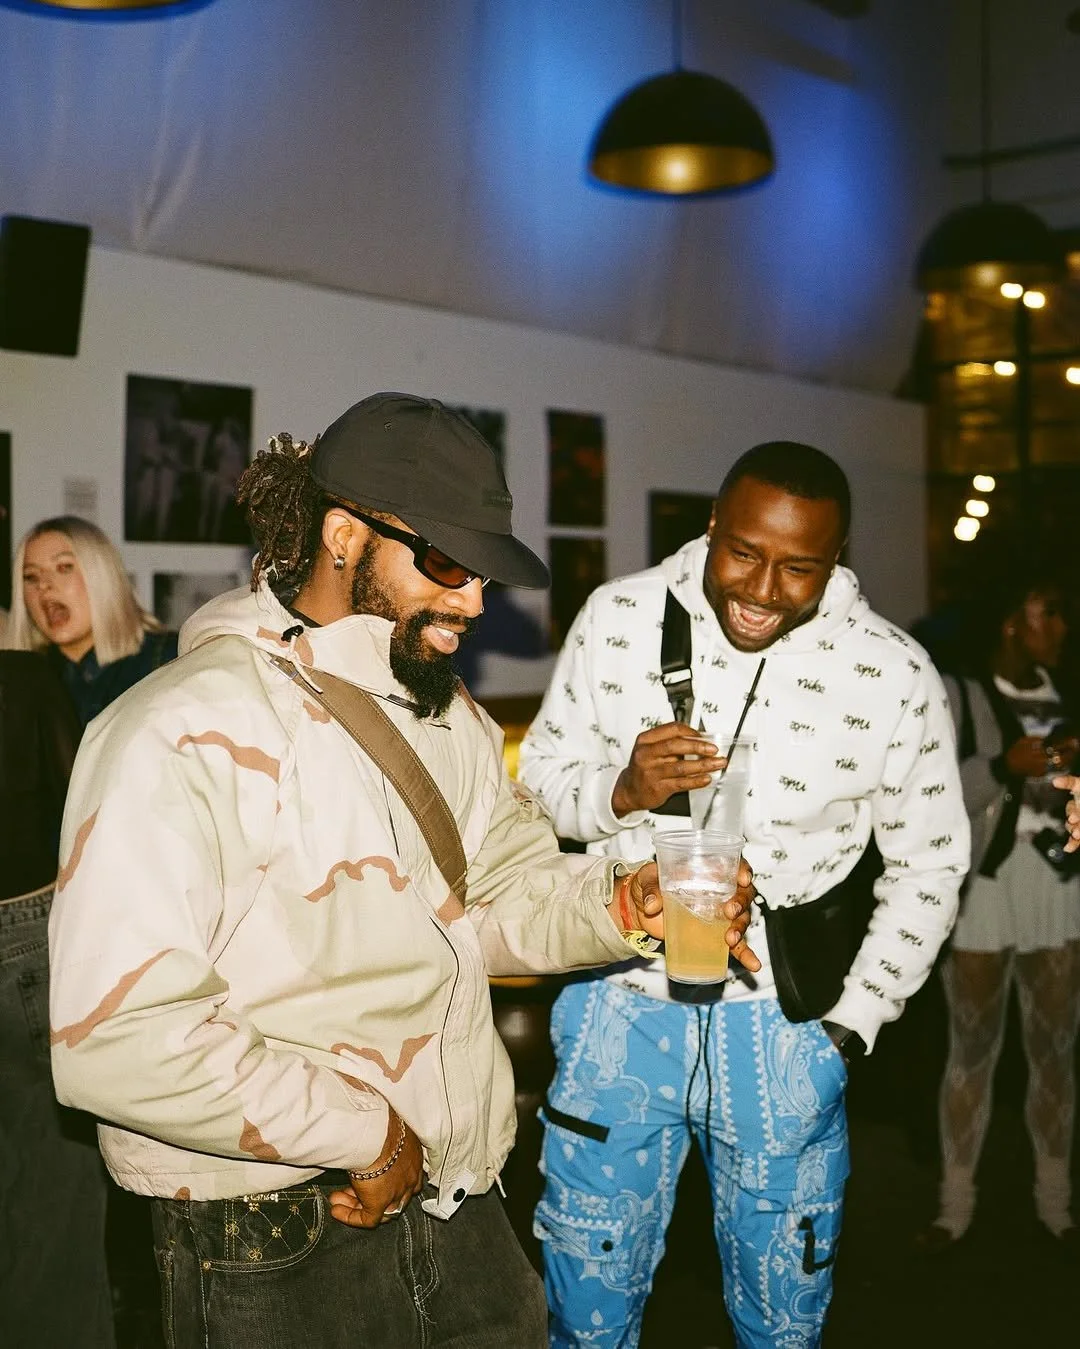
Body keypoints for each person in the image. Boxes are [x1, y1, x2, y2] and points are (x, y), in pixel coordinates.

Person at [46, 393, 758, 1349]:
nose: (473, 599)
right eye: (447, 563)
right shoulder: (174, 732)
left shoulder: (444, 714)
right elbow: (115, 1035)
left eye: (484, 573)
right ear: (344, 537)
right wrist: (364, 1132)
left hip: (460, 1198)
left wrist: (622, 899)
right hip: (278, 1234)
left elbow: (496, 898)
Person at [518, 440, 969, 1348]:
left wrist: (850, 1026)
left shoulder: (894, 672)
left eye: (800, 566)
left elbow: (931, 863)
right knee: (583, 1307)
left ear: (837, 559)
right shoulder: (617, 619)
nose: (763, 588)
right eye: (744, 552)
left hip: (785, 1026)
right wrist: (620, 790)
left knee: (783, 1319)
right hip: (616, 1001)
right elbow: (534, 793)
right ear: (712, 526)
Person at [917, 578, 1080, 1252]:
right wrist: (1003, 764)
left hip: (1058, 886)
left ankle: (1056, 1203)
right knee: (972, 1050)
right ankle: (954, 1207)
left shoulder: (1065, 698)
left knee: (1055, 1051)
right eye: (1052, 613)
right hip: (984, 886)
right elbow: (931, 791)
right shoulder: (961, 694)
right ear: (1014, 623)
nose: (1063, 627)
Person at [0, 650, 114, 1349]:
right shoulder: (24, 678)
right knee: (54, 1197)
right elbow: (85, 809)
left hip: (24, 941)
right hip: (25, 936)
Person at [4, 515, 178, 727]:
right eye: (31, 576)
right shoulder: (23, 683)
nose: (44, 585)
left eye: (64, 567)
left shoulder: (166, 659)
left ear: (102, 575)